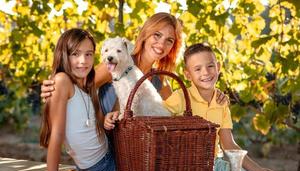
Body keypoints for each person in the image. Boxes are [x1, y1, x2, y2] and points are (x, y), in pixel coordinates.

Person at [40, 12, 228, 115]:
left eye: (169, 40)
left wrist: (214, 97)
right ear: (145, 34)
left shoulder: (160, 81)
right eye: (157, 35)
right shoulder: (117, 63)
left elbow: (179, 113)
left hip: (135, 148)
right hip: (105, 142)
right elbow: (79, 86)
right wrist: (53, 88)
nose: (162, 44)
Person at [162, 43, 280, 171]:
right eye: (197, 69)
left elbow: (228, 144)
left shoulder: (221, 102)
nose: (205, 72)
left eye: (210, 66)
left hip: (213, 166)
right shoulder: (180, 97)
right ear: (188, 74)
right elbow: (159, 124)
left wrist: (257, 170)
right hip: (183, 166)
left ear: (218, 67)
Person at [31, 28, 115, 171]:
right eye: (75, 54)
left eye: (89, 54)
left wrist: (107, 117)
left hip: (106, 154)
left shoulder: (88, 86)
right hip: (100, 166)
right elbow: (57, 133)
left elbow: (96, 125)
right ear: (63, 55)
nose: (83, 61)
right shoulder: (62, 81)